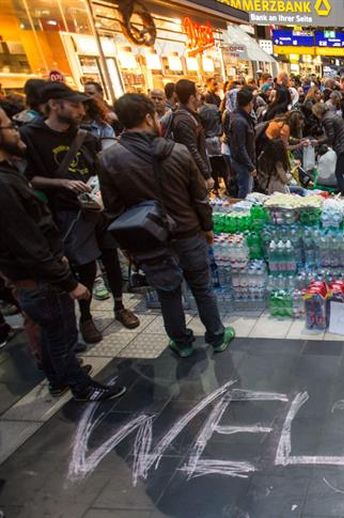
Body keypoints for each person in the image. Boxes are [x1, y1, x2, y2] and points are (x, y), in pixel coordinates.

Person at [0, 103, 125, 401]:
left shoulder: (10, 173)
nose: (18, 131)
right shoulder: (4, 186)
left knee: (53, 332)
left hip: (38, 276)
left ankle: (59, 377)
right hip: (40, 280)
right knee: (61, 334)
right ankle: (80, 385)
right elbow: (28, 246)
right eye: (8, 126)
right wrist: (70, 282)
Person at [98, 93, 235, 357]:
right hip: (188, 232)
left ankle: (182, 343)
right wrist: (207, 228)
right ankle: (216, 337)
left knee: (168, 293)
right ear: (149, 117)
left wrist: (127, 246)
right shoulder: (178, 152)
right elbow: (199, 197)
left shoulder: (109, 159)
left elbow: (112, 209)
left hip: (147, 238)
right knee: (202, 287)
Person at [20, 82, 139, 344]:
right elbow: (27, 179)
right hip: (66, 213)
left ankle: (120, 306)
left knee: (111, 257)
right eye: (74, 105)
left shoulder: (86, 136)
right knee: (84, 265)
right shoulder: (31, 136)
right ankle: (86, 317)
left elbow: (100, 169)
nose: (80, 110)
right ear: (54, 105)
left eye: (82, 105)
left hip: (98, 208)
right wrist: (62, 183)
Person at [163, 79, 214, 190]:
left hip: (196, 172)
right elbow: (191, 150)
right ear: (192, 98)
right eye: (198, 93)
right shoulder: (183, 120)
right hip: (193, 175)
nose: (200, 96)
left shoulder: (189, 115)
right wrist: (206, 175)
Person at [312, 101, 344, 195]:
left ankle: (342, 192)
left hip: (343, 145)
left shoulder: (326, 119)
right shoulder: (331, 114)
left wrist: (318, 142)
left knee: (339, 172)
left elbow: (331, 136)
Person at [228, 88, 257, 198]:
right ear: (250, 103)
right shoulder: (239, 121)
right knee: (244, 191)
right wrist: (250, 166)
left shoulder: (240, 117)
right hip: (242, 163)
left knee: (246, 189)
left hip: (244, 161)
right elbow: (240, 147)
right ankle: (242, 213)